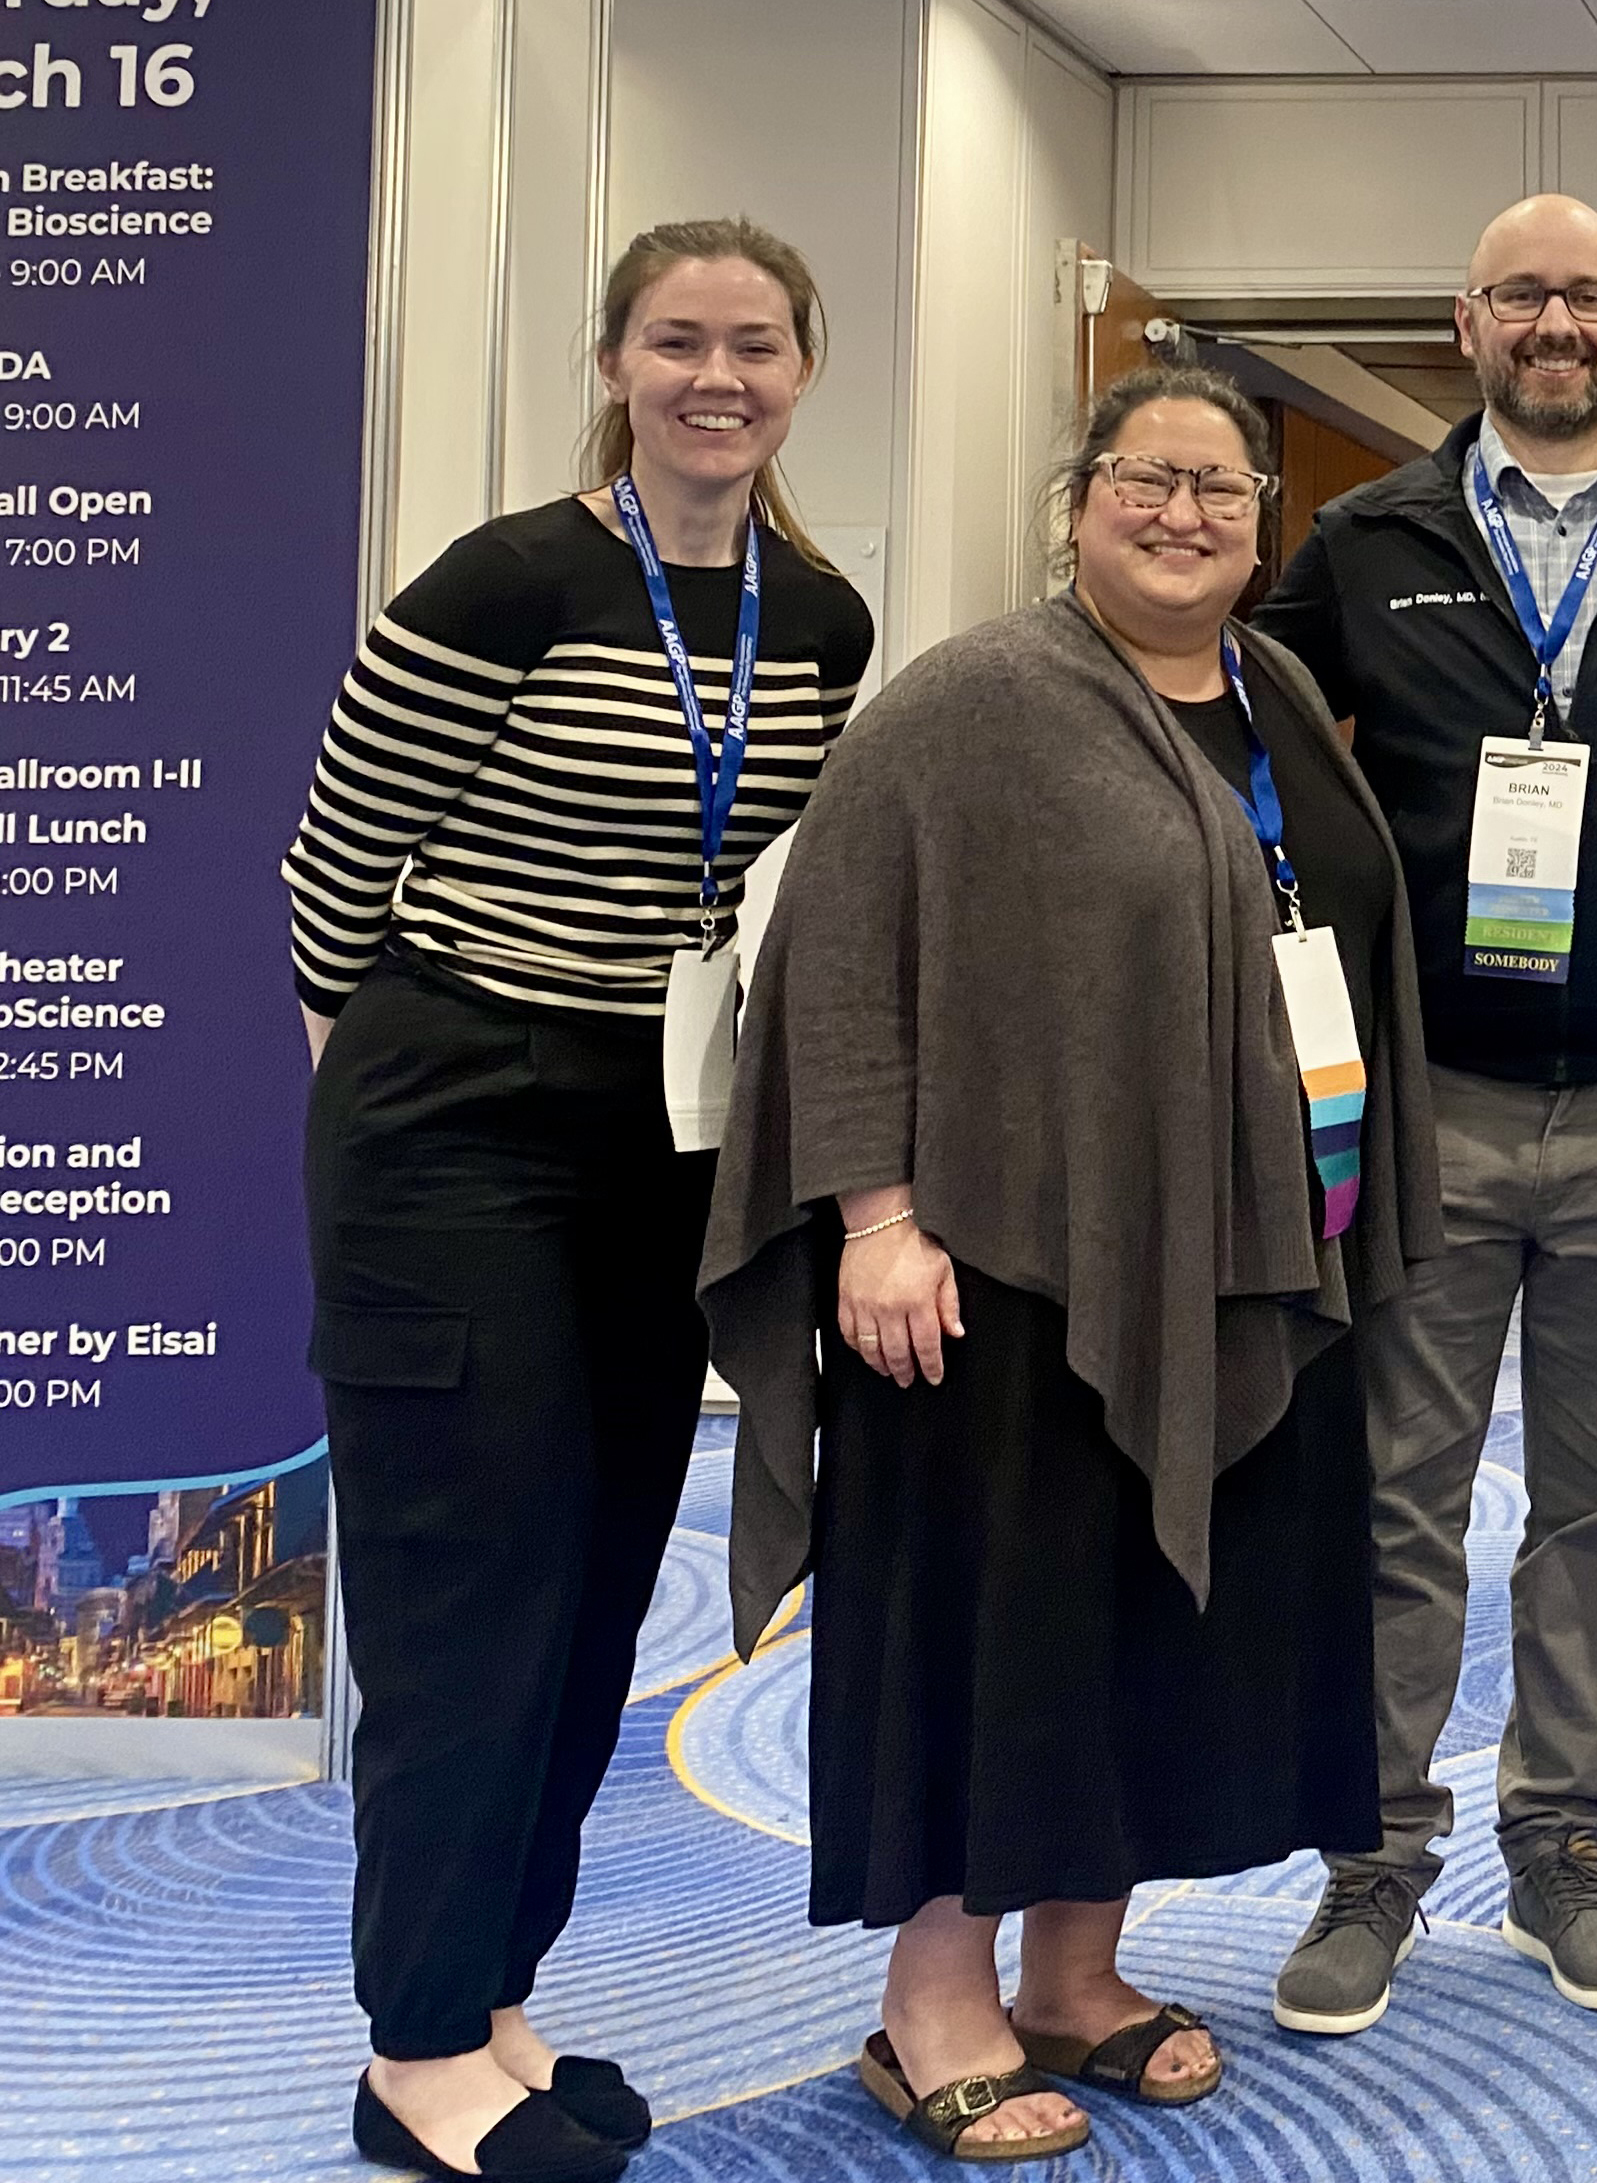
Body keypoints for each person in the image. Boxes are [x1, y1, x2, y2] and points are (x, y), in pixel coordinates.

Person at [697, 367, 1440, 2164]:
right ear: (1078, 499)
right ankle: (930, 2007)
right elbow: (836, 959)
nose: (1184, 514)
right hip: (1007, 1266)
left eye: (1221, 487)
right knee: (998, 1632)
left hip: (1249, 1251)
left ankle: (1076, 1979)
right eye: (1145, 479)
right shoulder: (975, 702)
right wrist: (874, 1217)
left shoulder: (1269, 690)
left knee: (1149, 1631)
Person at [286, 219, 873, 2183]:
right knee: (472, 1599)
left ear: (806, 371)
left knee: (596, 1588)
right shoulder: (508, 579)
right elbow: (329, 875)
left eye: (758, 344)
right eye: (680, 340)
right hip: (454, 1128)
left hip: (661, 1146)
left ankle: (494, 2000)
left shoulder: (820, 621)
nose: (720, 375)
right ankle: (413, 2056)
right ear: (615, 361)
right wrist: (375, 1110)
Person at [1254, 194, 1597, 2034]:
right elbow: (1246, 761)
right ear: (1463, 325)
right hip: (1430, 1105)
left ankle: (1567, 1841)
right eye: (1523, 296)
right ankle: (1373, 1860)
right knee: (1397, 1499)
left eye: (1592, 297)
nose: (1558, 324)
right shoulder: (1355, 542)